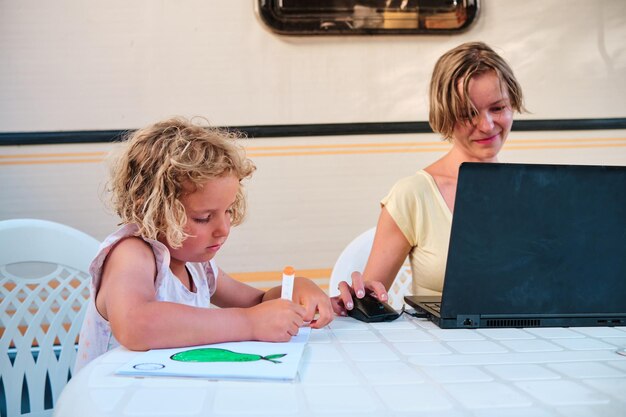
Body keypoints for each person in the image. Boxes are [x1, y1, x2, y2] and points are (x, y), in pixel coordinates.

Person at [75, 117, 333, 372]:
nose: (223, 229)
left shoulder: (199, 268)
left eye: (228, 211)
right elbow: (135, 325)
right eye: (203, 218)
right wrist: (248, 324)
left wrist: (297, 290)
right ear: (151, 209)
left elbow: (258, 304)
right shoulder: (132, 253)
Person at [331, 41, 526, 315]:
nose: (487, 125)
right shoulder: (414, 194)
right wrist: (356, 300)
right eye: (468, 113)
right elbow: (370, 302)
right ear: (444, 116)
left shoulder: (533, 190)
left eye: (497, 108)